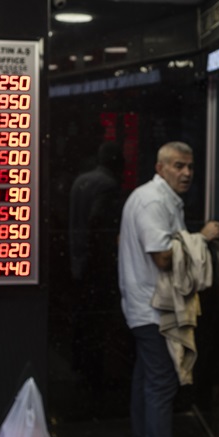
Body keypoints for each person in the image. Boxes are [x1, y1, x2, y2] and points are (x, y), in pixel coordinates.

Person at [118, 141, 219, 437]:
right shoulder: (152, 201)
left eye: (190, 167)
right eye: (178, 166)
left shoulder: (154, 197)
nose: (187, 173)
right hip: (152, 309)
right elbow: (163, 257)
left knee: (146, 379)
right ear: (160, 167)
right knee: (161, 386)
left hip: (145, 305)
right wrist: (202, 238)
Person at [68, 142, 124, 393]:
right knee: (97, 322)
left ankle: (78, 365)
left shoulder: (81, 180)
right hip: (96, 263)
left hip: (77, 256)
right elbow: (97, 222)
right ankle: (95, 376)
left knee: (82, 315)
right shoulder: (108, 186)